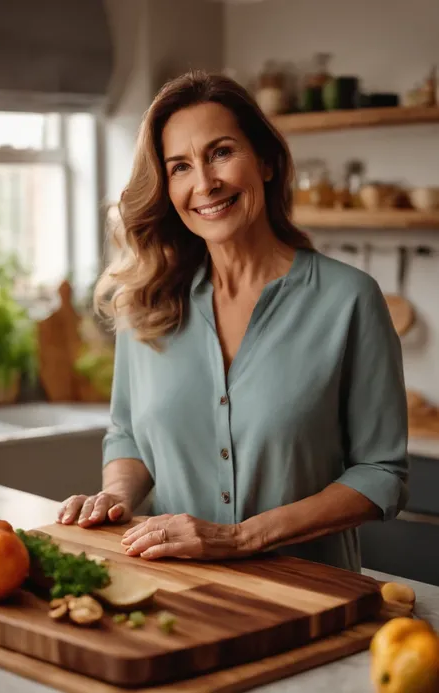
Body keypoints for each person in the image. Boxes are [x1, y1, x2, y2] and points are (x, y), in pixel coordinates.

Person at [57, 70, 408, 572]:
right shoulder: (147, 302)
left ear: (265, 160)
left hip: (310, 601)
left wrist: (239, 538)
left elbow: (380, 474)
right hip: (175, 594)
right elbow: (128, 434)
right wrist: (115, 497)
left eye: (221, 152)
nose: (205, 183)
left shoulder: (348, 300)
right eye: (180, 166)